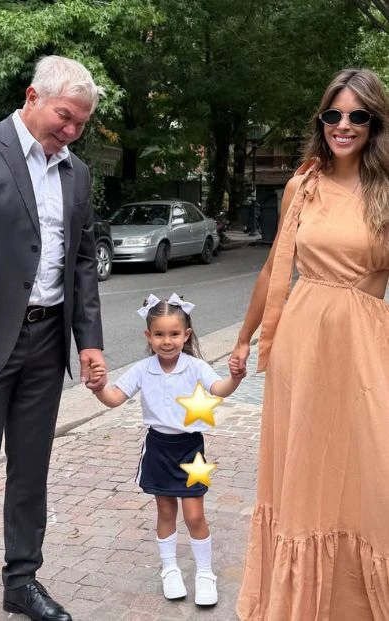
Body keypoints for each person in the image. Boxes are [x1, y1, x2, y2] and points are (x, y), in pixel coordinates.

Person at [229, 69, 389, 620]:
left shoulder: (387, 190)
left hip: (365, 346)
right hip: (302, 344)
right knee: (302, 471)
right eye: (333, 115)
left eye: (357, 116)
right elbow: (275, 267)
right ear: (321, 121)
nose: (343, 126)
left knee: (369, 473)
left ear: (375, 123)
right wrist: (244, 339)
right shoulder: (304, 184)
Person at [0, 55, 106, 621]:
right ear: (32, 98)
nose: (69, 131)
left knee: (30, 468)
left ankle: (21, 582)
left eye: (80, 124)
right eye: (64, 117)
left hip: (48, 344)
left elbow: (83, 259)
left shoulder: (78, 172)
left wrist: (88, 340)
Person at [89, 294, 245, 607]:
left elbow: (219, 390)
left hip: (189, 450)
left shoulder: (196, 367)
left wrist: (236, 378)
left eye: (174, 334)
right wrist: (98, 388)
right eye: (159, 334)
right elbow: (115, 397)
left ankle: (204, 573)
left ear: (186, 334)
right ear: (149, 336)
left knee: (195, 515)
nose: (167, 341)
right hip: (159, 448)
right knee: (165, 511)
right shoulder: (143, 369)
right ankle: (169, 568)